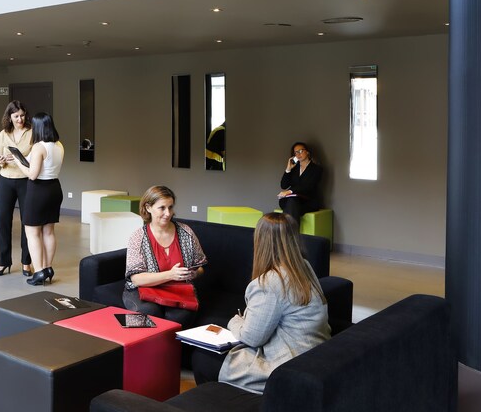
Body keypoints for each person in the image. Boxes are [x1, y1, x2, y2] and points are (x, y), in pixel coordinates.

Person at [192, 212, 330, 393]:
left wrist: (234, 321)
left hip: (287, 364)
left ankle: (221, 405)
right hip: (315, 354)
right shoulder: (304, 266)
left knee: (202, 358)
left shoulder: (270, 282)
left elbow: (252, 338)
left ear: (261, 242)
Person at [123, 186, 207, 326]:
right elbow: (136, 279)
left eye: (170, 207)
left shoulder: (186, 232)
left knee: (178, 319)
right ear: (148, 207)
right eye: (162, 208)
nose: (168, 213)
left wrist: (194, 274)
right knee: (151, 315)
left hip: (178, 289)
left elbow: (200, 268)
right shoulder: (138, 237)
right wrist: (170, 275)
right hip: (143, 290)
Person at [13, 112, 64, 286]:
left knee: (32, 232)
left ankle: (39, 272)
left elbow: (33, 174)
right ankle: (48, 268)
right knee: (48, 231)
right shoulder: (58, 145)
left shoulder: (38, 147)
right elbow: (45, 165)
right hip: (55, 188)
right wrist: (23, 159)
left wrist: (18, 162)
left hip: (39, 190)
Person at [0, 100, 33, 277]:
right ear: (9, 117)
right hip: (5, 180)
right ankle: (3, 262)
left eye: (22, 115)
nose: (20, 119)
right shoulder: (3, 134)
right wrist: (0, 160)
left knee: (28, 223)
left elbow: (35, 158)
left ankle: (26, 263)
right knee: (2, 222)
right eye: (16, 116)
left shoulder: (32, 133)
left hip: (25, 180)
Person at [277, 141, 323, 222]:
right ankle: (292, 232)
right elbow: (283, 185)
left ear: (307, 152)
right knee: (290, 202)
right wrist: (288, 169)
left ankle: (288, 232)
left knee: (291, 204)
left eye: (301, 151)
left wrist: (289, 191)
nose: (298, 154)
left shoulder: (316, 169)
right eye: (296, 152)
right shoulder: (294, 168)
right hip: (292, 200)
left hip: (308, 201)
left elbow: (308, 186)